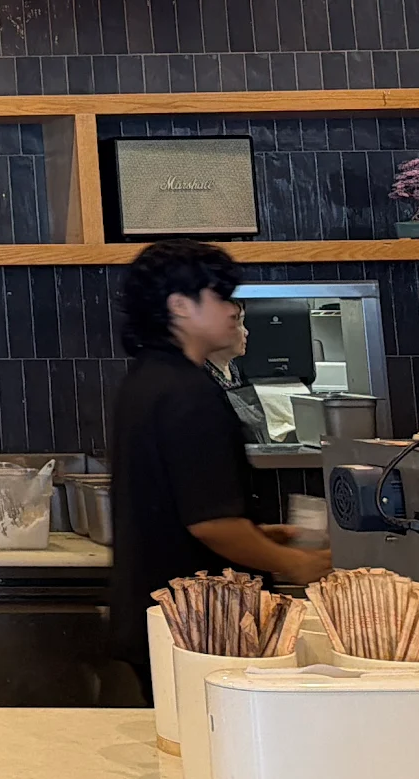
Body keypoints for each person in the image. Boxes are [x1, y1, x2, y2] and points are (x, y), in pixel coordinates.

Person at [108, 239, 330, 675]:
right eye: (221, 296)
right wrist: (299, 564)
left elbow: (180, 507)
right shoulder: (188, 393)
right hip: (197, 627)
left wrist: (259, 535)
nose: (234, 310)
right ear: (180, 306)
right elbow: (212, 524)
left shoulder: (148, 380)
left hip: (163, 618)